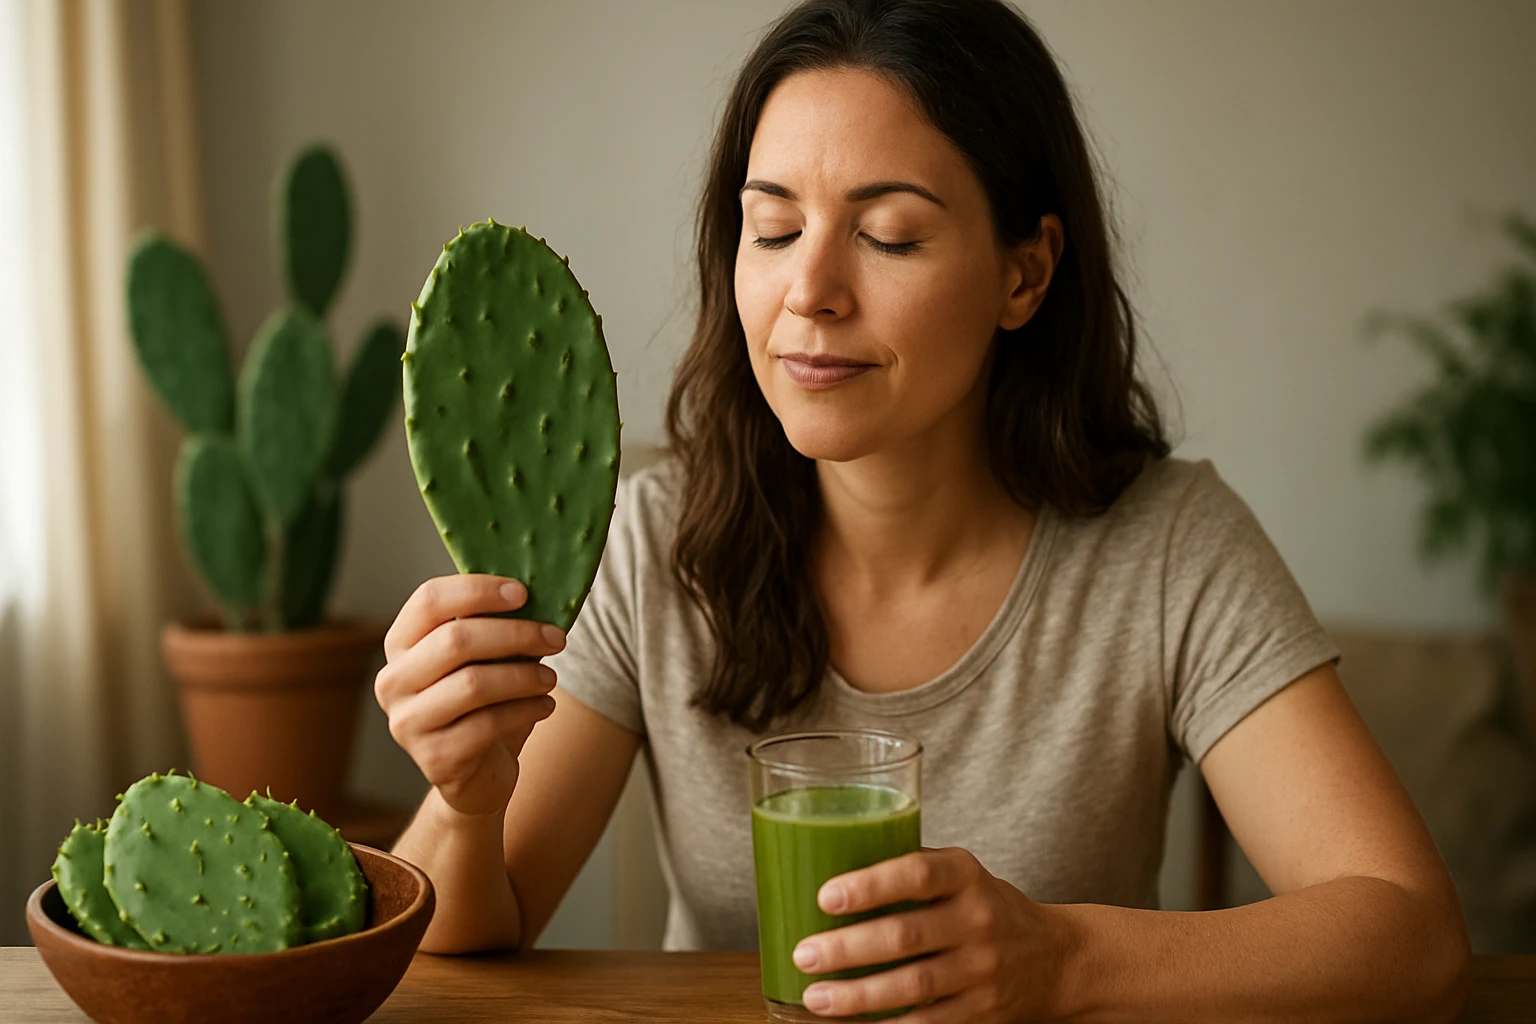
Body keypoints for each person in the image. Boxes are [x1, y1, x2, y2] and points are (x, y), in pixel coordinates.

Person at [376, 0, 1472, 1019]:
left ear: (1025, 275)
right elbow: (480, 924)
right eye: (771, 229)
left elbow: (1412, 929)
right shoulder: (657, 536)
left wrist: (1065, 960)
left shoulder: (1170, 544)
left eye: (889, 234)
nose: (810, 291)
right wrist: (465, 796)